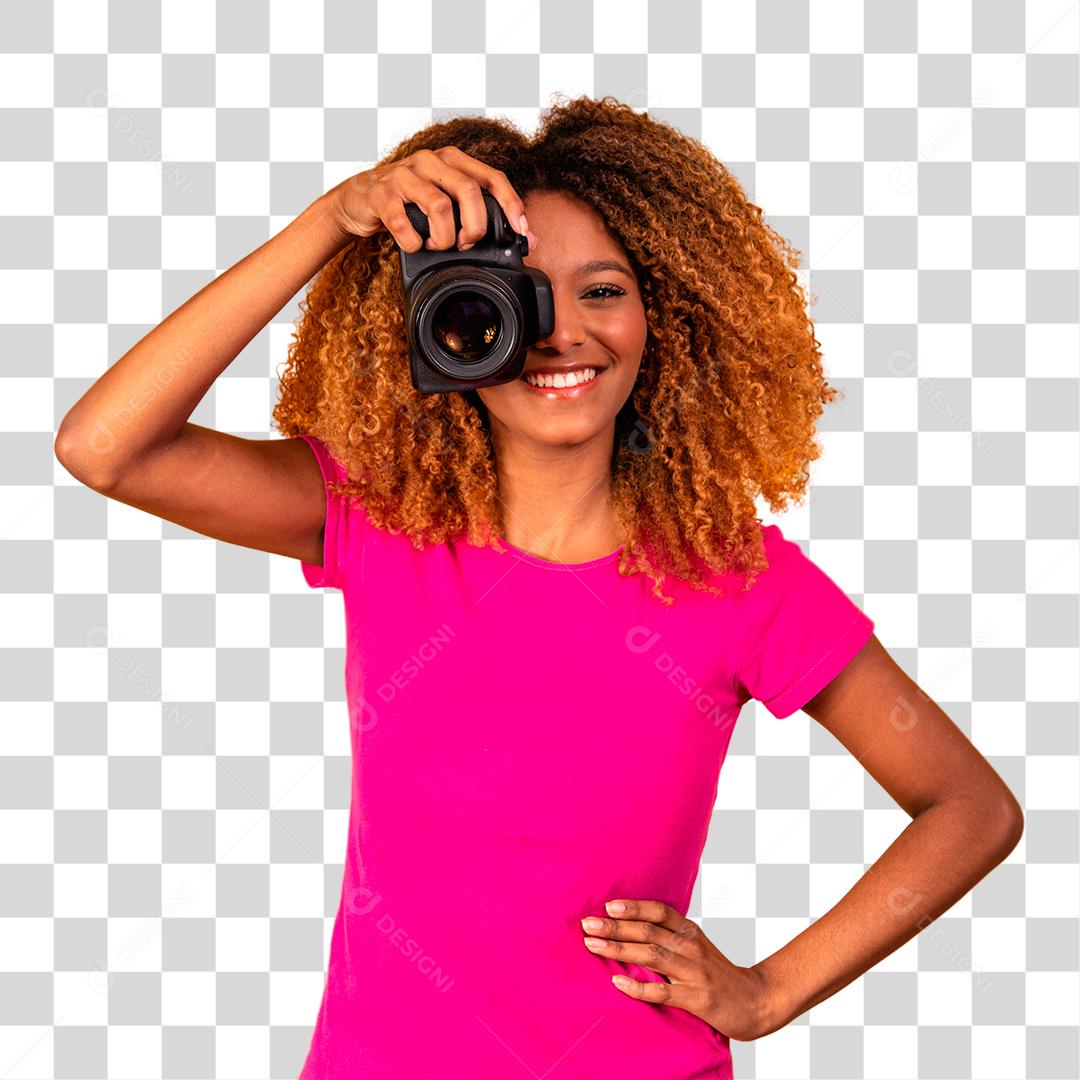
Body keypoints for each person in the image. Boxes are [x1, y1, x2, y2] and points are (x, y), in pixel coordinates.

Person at [55, 95, 1023, 1080]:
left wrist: (768, 993)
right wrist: (333, 221)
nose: (560, 333)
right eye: (512, 295)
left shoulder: (739, 580)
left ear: (666, 316)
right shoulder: (381, 518)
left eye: (602, 289)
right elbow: (106, 447)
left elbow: (969, 807)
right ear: (441, 323)